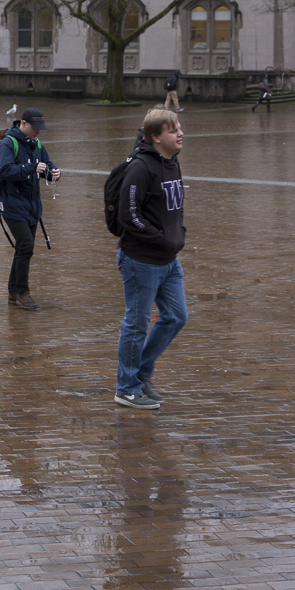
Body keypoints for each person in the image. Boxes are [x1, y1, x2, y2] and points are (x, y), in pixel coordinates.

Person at [113, 107, 189, 410]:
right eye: (173, 130)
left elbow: (175, 208)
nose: (180, 133)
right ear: (156, 137)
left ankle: (140, 375)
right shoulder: (140, 168)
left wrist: (177, 234)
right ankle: (126, 388)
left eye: (179, 128)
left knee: (175, 317)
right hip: (141, 260)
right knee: (136, 323)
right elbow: (128, 215)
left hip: (169, 260)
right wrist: (159, 238)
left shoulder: (172, 163)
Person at [0, 108, 61, 312]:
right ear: (23, 123)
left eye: (41, 128)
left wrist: (53, 173)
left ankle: (14, 292)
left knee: (23, 249)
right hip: (12, 205)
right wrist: (30, 168)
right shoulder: (8, 143)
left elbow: (46, 165)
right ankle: (23, 292)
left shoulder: (37, 144)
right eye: (35, 128)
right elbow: (4, 170)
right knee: (26, 246)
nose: (38, 132)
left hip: (32, 206)